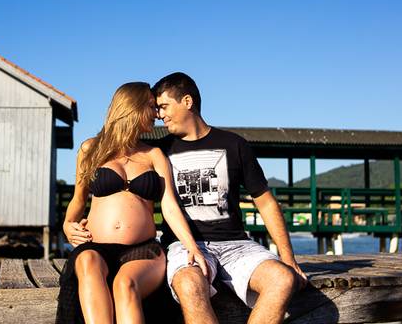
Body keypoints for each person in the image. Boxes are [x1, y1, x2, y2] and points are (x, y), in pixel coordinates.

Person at [152, 72, 308, 324]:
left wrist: (287, 257)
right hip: (185, 245)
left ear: (187, 102)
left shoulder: (234, 144)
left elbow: (265, 202)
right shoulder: (159, 151)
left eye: (164, 106)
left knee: (282, 279)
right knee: (189, 284)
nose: (160, 115)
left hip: (235, 243)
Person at [57, 81, 208, 324]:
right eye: (151, 106)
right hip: (96, 247)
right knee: (87, 261)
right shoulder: (90, 149)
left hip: (143, 248)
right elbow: (78, 199)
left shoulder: (154, 155)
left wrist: (192, 246)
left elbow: (169, 205)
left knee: (124, 284)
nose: (157, 114)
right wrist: (67, 224)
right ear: (132, 107)